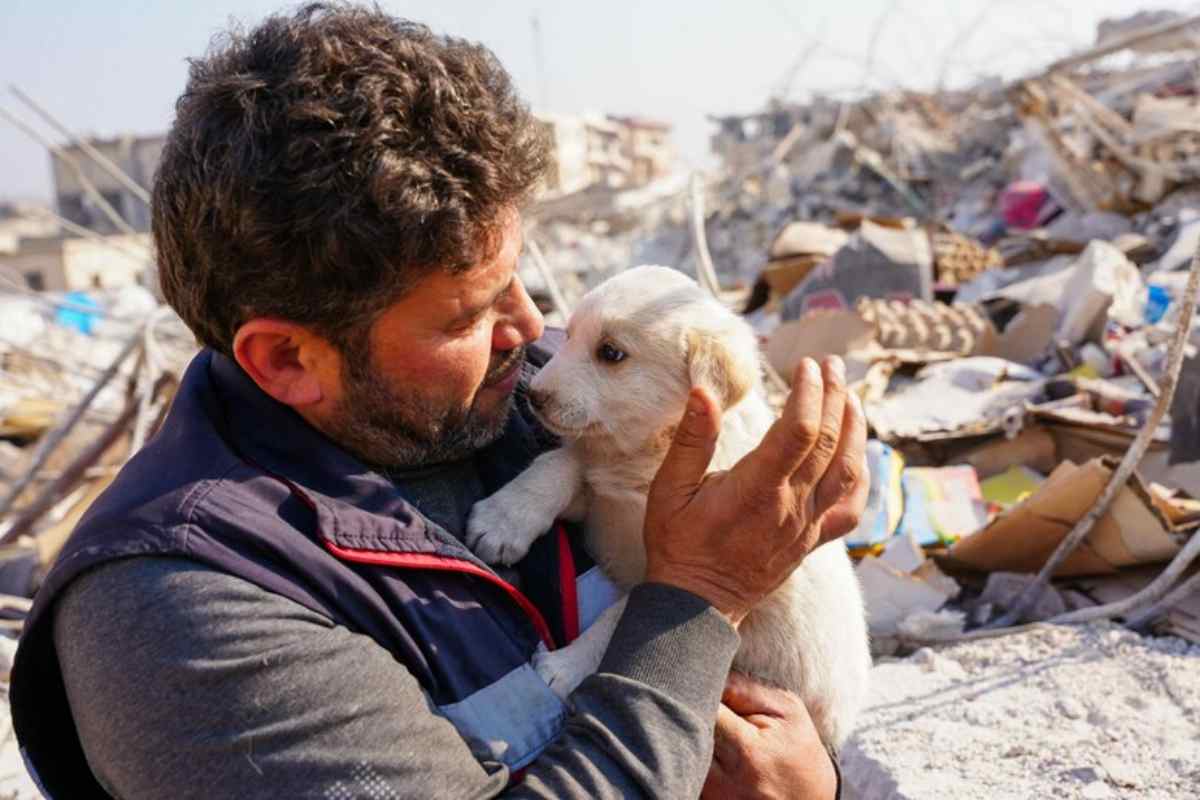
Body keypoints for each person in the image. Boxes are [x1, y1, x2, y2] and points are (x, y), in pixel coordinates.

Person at [10, 5, 868, 798]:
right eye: (468, 312)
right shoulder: (181, 619)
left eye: (520, 281)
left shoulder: (509, 400)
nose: (531, 331)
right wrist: (704, 596)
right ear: (287, 357)